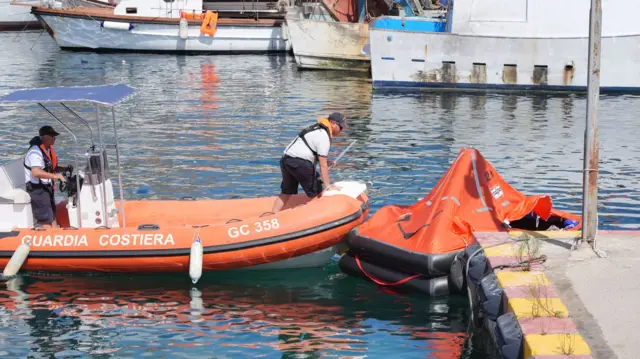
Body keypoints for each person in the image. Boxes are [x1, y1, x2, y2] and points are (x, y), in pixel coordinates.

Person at [272, 112, 347, 213]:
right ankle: (319, 217)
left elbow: (310, 150)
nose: (341, 130)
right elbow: (322, 165)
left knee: (287, 191)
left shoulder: (316, 129)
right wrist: (328, 186)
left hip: (287, 160)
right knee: (318, 193)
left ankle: (273, 214)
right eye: (341, 127)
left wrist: (328, 162)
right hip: (300, 163)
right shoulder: (324, 136)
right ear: (333, 123)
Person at [23, 125, 70, 228]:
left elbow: (52, 168)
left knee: (52, 216)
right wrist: (55, 176)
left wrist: (64, 169)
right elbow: (36, 172)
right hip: (37, 189)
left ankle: (56, 236)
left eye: (55, 136)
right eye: (51, 136)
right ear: (43, 137)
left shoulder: (47, 149)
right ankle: (48, 237)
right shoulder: (35, 152)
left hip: (46, 187)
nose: (54, 138)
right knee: (45, 219)